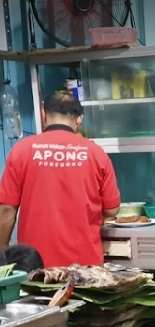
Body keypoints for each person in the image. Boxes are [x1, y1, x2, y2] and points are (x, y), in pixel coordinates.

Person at [0, 93, 121, 268]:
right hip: (85, 268)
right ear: (79, 119)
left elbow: (5, 210)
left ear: (43, 114)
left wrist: (2, 256)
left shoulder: (22, 151)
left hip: (35, 267)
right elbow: (112, 210)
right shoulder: (96, 153)